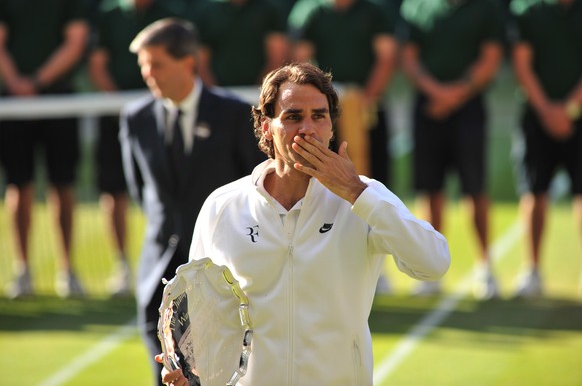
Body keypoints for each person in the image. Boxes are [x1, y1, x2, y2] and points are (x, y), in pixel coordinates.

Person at [157, 62, 451, 385]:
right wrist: (191, 375)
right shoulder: (223, 206)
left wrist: (356, 192)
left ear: (331, 127)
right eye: (293, 117)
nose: (308, 129)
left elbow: (433, 262)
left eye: (319, 116)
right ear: (266, 128)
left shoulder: (365, 197)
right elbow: (201, 311)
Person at [119, 18, 265, 385]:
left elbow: (254, 187)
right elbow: (142, 191)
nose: (149, 74)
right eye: (144, 66)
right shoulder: (135, 118)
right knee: (166, 375)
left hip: (220, 271)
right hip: (157, 271)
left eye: (157, 64)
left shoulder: (234, 114)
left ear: (188, 62)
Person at [289, 0, 400, 295]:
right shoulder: (310, 11)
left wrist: (365, 99)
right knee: (314, 183)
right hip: (324, 114)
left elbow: (387, 57)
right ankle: (318, 259)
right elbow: (302, 62)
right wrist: (324, 103)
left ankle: (378, 265)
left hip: (364, 107)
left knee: (370, 182)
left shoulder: (375, 11)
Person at [400, 0, 505, 299]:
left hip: (469, 107)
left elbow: (490, 58)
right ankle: (429, 270)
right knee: (429, 188)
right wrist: (437, 92)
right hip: (428, 106)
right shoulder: (416, 6)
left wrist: (455, 94)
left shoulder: (485, 8)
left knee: (475, 188)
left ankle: (486, 267)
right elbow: (409, 58)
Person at [88, 0, 178, 296]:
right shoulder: (108, 14)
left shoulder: (170, 12)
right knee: (115, 189)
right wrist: (128, 110)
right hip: (118, 114)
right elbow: (97, 65)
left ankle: (174, 260)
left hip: (166, 115)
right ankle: (123, 267)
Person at [0, 0, 89, 298]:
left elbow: (75, 43)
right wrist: (16, 83)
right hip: (12, 103)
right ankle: (23, 271)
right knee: (18, 183)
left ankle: (68, 271)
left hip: (58, 98)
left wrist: (36, 82)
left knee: (63, 184)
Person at [509, 0, 582, 298]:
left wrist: (570, 108)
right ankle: (533, 269)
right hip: (536, 117)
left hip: (577, 114)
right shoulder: (527, 9)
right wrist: (547, 110)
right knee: (534, 192)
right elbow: (522, 63)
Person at [190, 0, 289, 87]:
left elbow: (277, 56)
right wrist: (215, 92)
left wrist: (263, 89)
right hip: (221, 91)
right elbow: (201, 59)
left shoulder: (269, 9)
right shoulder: (209, 10)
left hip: (258, 91)